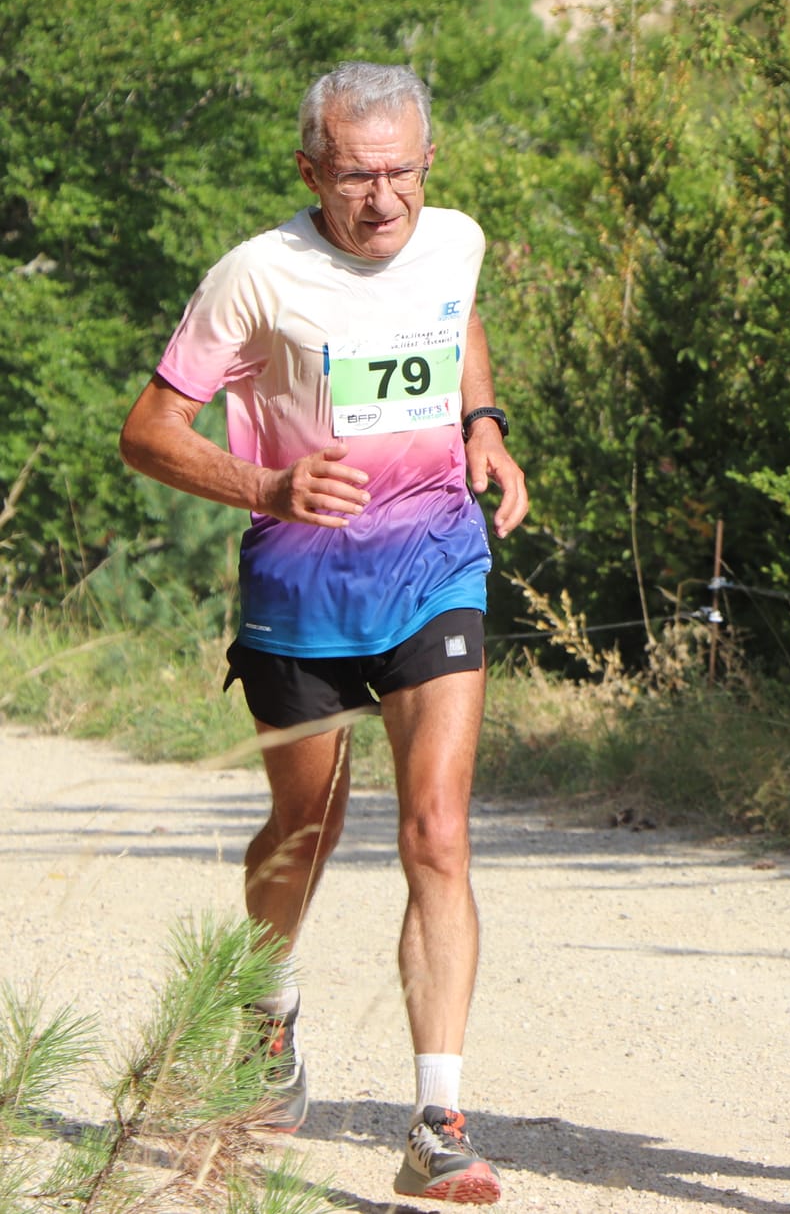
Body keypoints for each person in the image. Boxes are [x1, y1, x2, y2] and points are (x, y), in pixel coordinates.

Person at [119, 61, 528, 1206]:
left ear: (428, 165)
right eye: (355, 176)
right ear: (310, 170)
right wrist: (267, 487)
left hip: (436, 567)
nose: (383, 198)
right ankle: (270, 1013)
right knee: (304, 828)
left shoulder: (454, 239)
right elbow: (148, 431)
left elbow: (456, 317)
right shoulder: (255, 275)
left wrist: (483, 422)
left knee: (436, 831)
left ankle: (439, 1120)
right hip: (301, 591)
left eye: (402, 173)